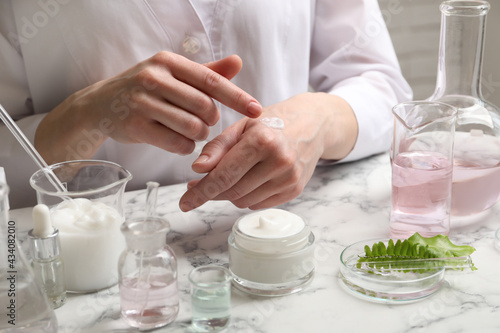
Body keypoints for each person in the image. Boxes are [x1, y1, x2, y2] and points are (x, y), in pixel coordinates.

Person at [0, 1, 412, 210]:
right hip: (101, 269)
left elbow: (385, 87)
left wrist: (318, 121)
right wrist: (86, 115)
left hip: (289, 239)